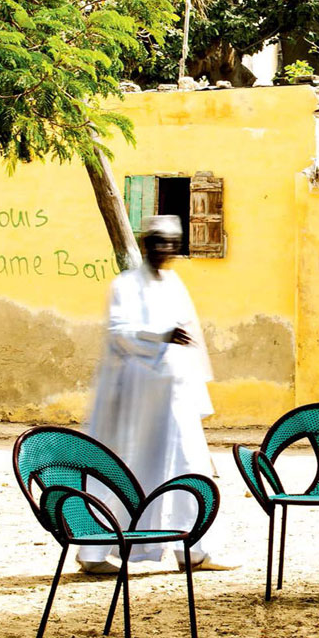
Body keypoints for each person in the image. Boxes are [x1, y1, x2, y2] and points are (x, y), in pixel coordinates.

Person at [77, 214, 235, 574]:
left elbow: (190, 337)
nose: (164, 248)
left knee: (187, 467)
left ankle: (193, 549)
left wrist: (194, 388)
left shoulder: (175, 284)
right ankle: (93, 552)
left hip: (173, 399)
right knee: (125, 470)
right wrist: (160, 336)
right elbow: (119, 333)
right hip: (135, 401)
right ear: (146, 244)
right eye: (158, 241)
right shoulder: (125, 285)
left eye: (170, 243)